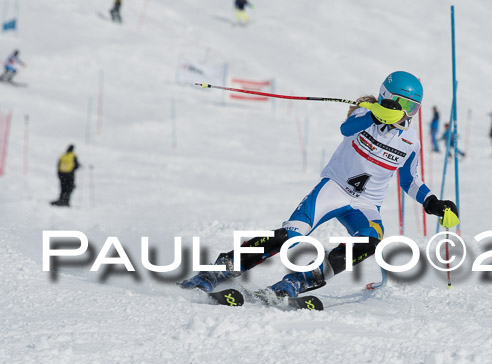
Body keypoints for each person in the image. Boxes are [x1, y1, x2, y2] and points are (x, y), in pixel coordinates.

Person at [180, 72, 459, 298]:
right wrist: (375, 113)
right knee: (290, 236)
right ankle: (221, 268)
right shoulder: (364, 115)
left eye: (414, 108)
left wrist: (433, 203)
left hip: (365, 205)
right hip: (333, 190)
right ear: (388, 99)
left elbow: (410, 180)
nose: (408, 115)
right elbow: (346, 129)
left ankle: (300, 280)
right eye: (405, 106)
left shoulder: (410, 142)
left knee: (370, 241)